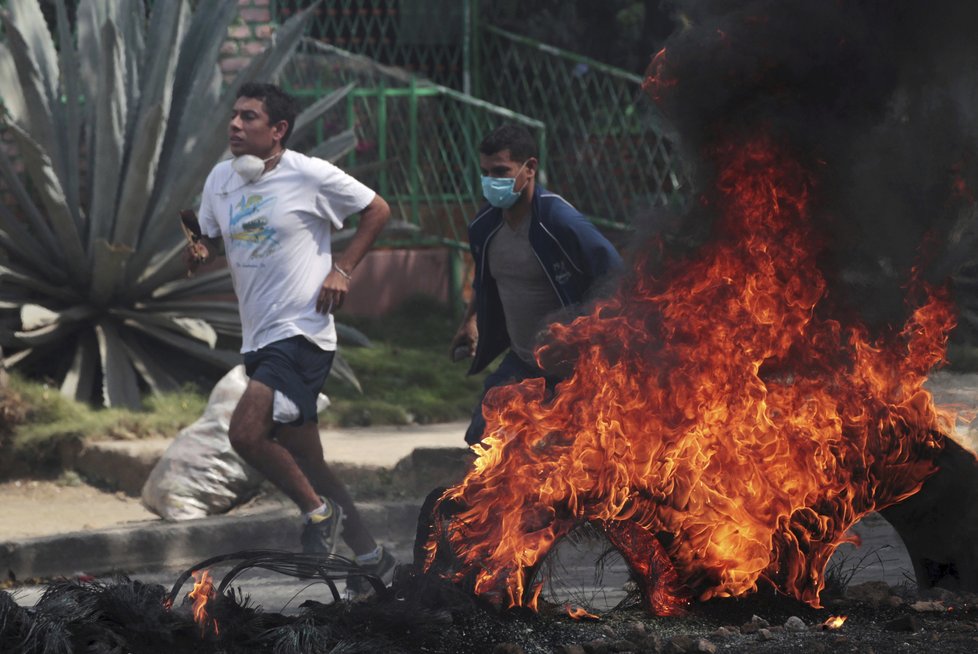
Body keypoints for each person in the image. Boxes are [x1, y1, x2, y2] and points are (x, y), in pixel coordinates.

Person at [186, 82, 394, 597]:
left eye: (249, 117)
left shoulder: (309, 174)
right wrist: (201, 252)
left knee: (246, 434)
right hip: (259, 337)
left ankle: (319, 516)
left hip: (302, 331)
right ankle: (374, 560)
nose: (235, 125)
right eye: (234, 115)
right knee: (310, 462)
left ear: (277, 130)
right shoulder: (221, 180)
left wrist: (342, 269)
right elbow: (210, 240)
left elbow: (378, 209)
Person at [450, 124, 625, 446]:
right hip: (523, 360)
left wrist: (589, 334)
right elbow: (485, 280)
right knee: (482, 437)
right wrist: (470, 320)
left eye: (501, 171)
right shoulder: (484, 226)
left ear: (529, 168)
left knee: (576, 453)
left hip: (574, 366)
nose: (491, 181)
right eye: (486, 172)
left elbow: (614, 274)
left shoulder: (558, 221)